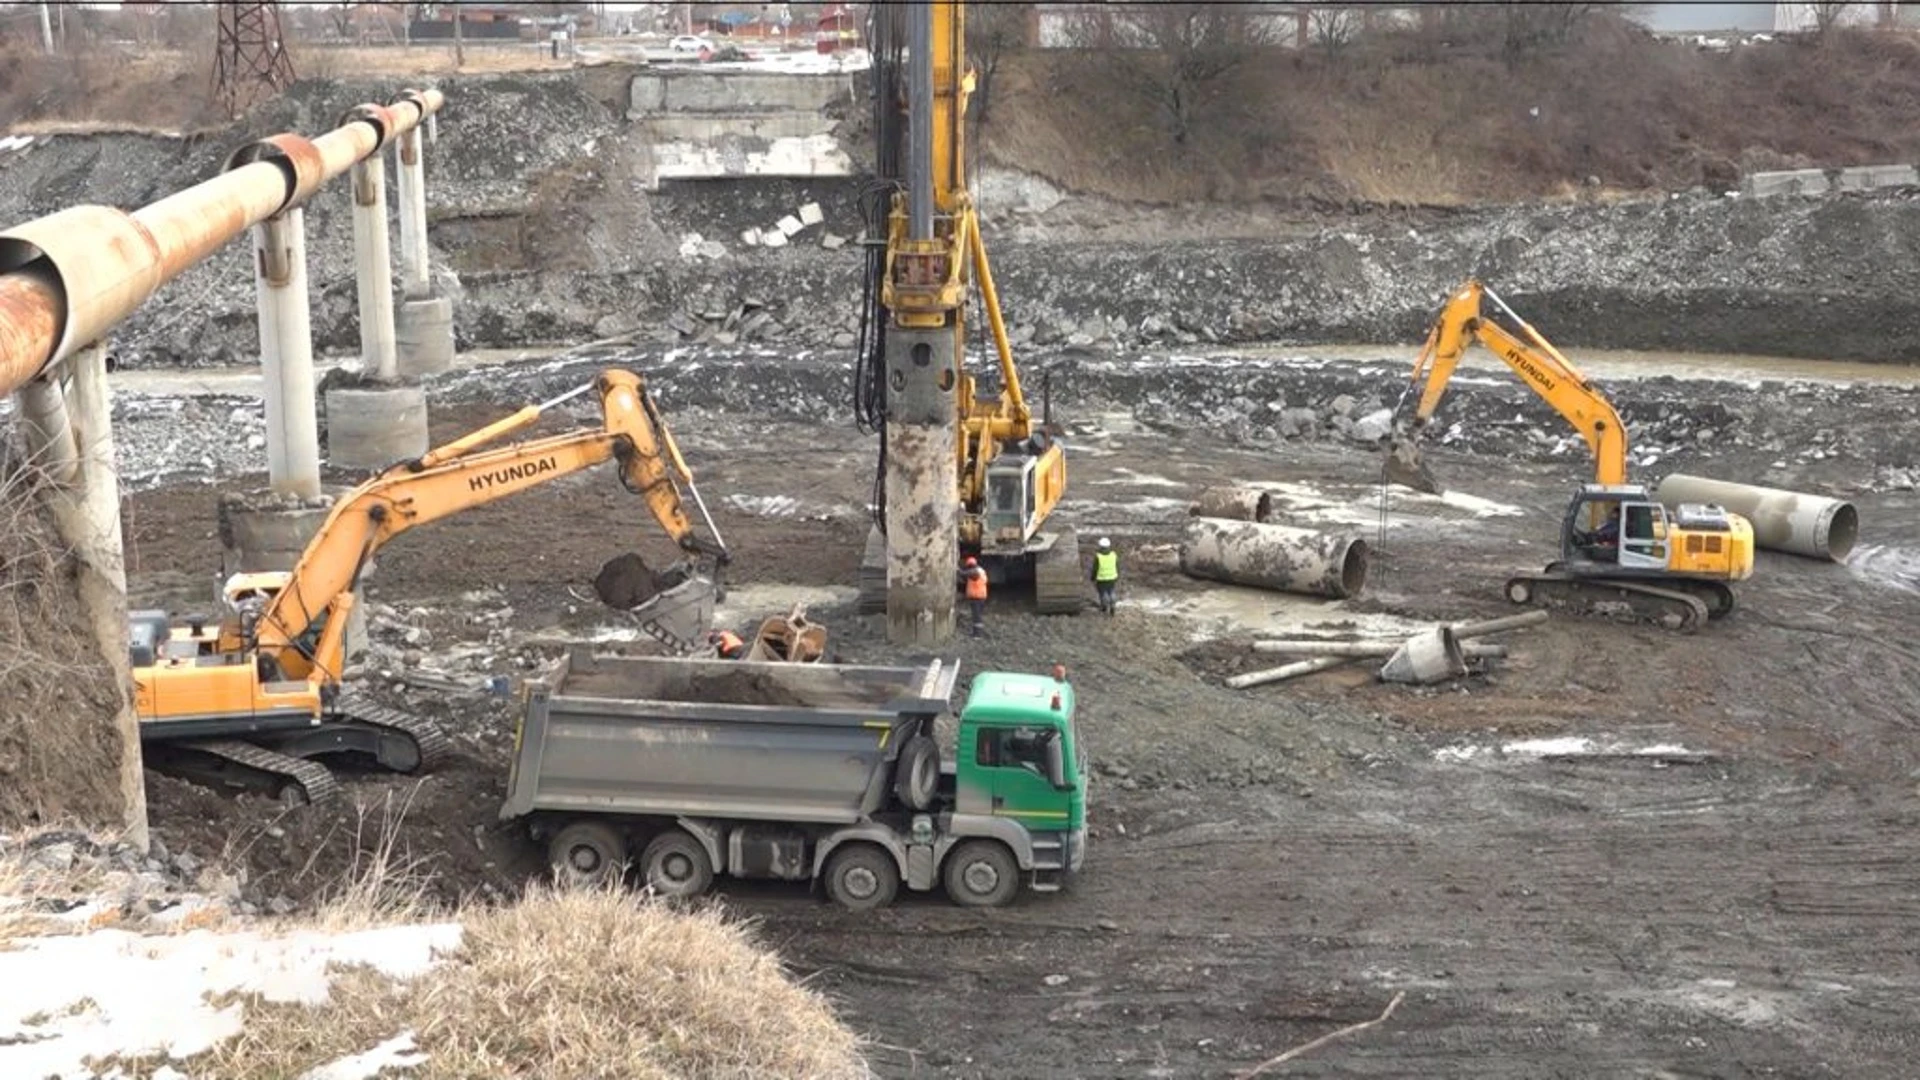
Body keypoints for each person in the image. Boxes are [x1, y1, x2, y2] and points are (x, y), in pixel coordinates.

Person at [1090, 537, 1119, 615]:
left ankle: (1104, 607)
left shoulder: (1098, 556)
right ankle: (1113, 605)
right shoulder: (1113, 555)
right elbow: (1117, 566)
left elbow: (1095, 569)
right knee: (1111, 591)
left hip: (1101, 579)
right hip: (1112, 578)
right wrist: (1117, 576)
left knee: (1102, 593)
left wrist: (1092, 578)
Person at [961, 556, 989, 638]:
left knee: (976, 616)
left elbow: (964, 573)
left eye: (968, 566)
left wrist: (958, 570)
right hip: (980, 596)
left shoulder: (975, 572)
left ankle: (977, 635)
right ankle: (977, 632)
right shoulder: (980, 571)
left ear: (971, 565)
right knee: (977, 615)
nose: (968, 568)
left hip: (977, 597)